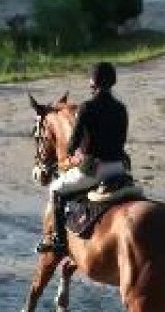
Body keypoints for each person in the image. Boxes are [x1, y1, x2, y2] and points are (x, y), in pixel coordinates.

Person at [36, 61, 129, 255]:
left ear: (93, 81)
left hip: (95, 170)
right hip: (120, 168)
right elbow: (121, 141)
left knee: (56, 189)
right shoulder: (121, 108)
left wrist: (76, 153)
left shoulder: (86, 108)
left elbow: (72, 145)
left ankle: (58, 241)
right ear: (112, 82)